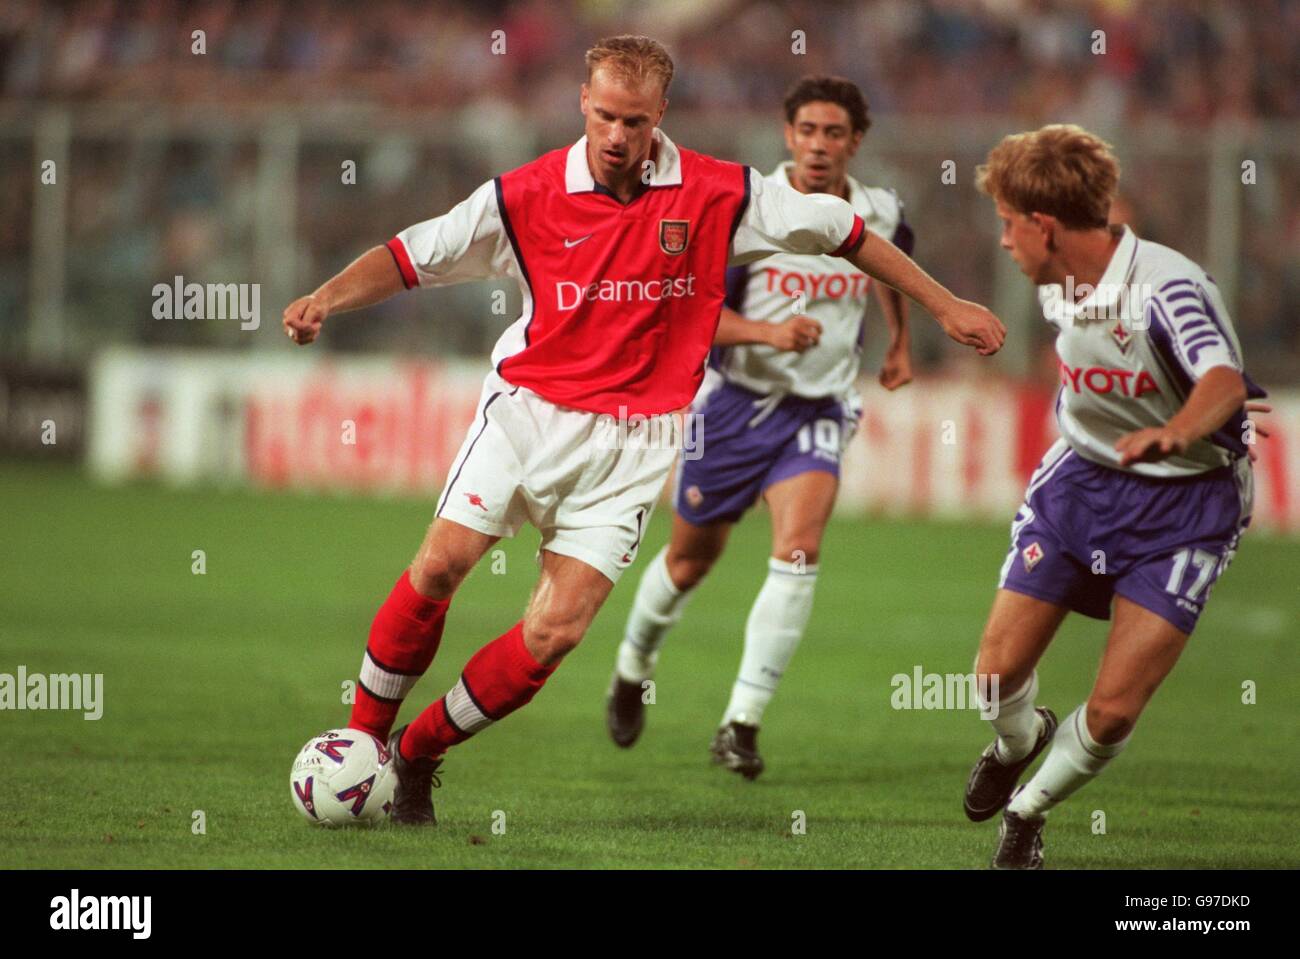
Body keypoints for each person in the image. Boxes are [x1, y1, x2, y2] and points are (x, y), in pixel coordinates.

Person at [282, 35, 1005, 826]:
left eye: (634, 120)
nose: (617, 135)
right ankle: (360, 744)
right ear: (581, 106)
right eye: (603, 116)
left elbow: (843, 229)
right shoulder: (525, 195)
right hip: (527, 413)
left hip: (636, 441)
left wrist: (945, 305)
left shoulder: (718, 191)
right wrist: (325, 297)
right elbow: (413, 253)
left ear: (662, 113)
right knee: (439, 566)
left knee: (553, 634)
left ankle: (415, 757)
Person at [964, 124, 1265, 868]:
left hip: (1186, 507)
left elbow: (1223, 383)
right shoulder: (1063, 280)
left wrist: (1176, 430)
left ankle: (1027, 813)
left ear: (1044, 227)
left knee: (1114, 707)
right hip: (1082, 484)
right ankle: (1019, 738)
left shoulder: (1166, 288)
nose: (1002, 242)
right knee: (994, 675)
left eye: (1008, 224)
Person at [605, 75, 914, 779]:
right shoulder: (748, 213)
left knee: (799, 550)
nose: (818, 145)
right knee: (689, 563)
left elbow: (893, 272)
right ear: (788, 136)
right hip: (734, 406)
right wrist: (768, 334)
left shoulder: (882, 213)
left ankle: (740, 722)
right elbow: (691, 316)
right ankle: (632, 664)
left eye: (833, 133)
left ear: (854, 142)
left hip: (818, 411)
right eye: (806, 130)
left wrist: (896, 341)